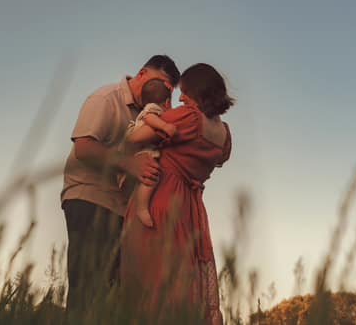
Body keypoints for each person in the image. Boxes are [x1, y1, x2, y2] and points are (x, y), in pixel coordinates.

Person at [60, 55, 180, 316]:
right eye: (161, 83)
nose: (163, 92)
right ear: (141, 74)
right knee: (88, 286)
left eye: (170, 90)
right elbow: (84, 148)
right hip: (89, 197)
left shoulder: (150, 113)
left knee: (115, 293)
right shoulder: (106, 98)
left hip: (122, 209)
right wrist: (130, 164)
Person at [119, 63, 234, 325]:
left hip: (161, 198)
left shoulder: (188, 117)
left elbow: (134, 139)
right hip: (191, 209)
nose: (180, 98)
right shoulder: (225, 135)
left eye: (185, 91)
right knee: (184, 284)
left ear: (198, 92)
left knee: (151, 281)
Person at [121, 78, 176, 228]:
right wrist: (165, 126)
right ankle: (142, 208)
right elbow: (149, 118)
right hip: (145, 151)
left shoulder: (148, 107)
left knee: (143, 178)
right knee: (151, 177)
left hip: (141, 150)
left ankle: (129, 192)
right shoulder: (153, 109)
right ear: (166, 102)